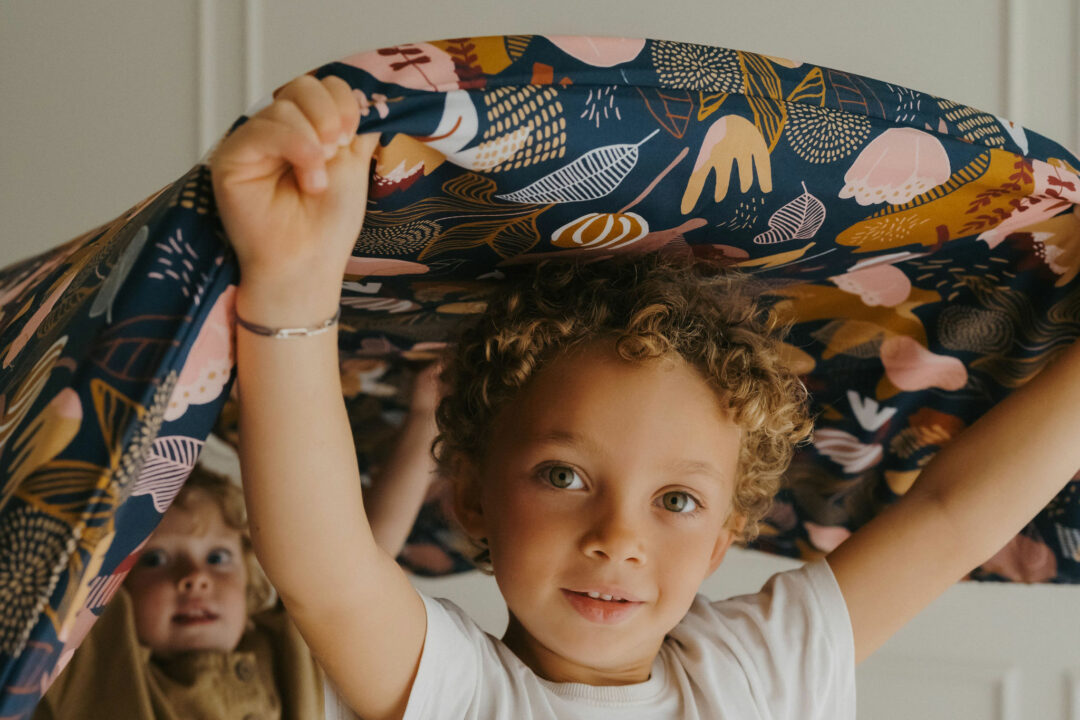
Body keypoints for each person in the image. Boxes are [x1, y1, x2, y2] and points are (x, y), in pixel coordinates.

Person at [208, 73, 1080, 720]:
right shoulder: (459, 693)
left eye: (676, 500)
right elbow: (323, 568)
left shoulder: (754, 673)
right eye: (562, 475)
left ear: (721, 541)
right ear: (472, 489)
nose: (618, 539)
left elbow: (952, 515)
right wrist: (291, 279)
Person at [34, 368, 442, 719]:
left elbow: (366, 555)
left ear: (249, 590)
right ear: (114, 589)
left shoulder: (290, 646)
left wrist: (428, 416)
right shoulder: (98, 672)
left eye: (218, 557)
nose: (195, 578)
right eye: (155, 560)